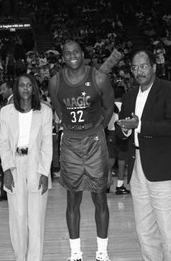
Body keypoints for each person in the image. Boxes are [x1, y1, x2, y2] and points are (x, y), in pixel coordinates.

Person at [48, 41, 116, 261]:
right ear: (63, 57)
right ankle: (75, 253)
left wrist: (97, 129)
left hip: (95, 141)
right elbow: (60, 111)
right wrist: (77, 130)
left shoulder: (99, 78)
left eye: (76, 51)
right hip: (70, 144)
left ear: (82, 54)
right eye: (67, 53)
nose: (72, 56)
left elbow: (108, 108)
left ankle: (102, 253)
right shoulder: (55, 82)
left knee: (99, 198)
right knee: (72, 199)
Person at [117, 50, 171, 261]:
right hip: (137, 167)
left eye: (143, 66)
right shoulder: (129, 96)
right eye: (135, 68)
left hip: (162, 168)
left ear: (154, 67)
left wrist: (140, 125)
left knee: (169, 232)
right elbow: (121, 132)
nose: (139, 71)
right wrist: (126, 129)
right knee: (144, 231)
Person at [0, 74, 53, 261]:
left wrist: (44, 172)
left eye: (29, 85)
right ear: (16, 88)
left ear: (34, 89)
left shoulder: (45, 112)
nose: (25, 88)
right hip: (14, 164)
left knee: (36, 220)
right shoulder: (6, 112)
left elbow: (47, 144)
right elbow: (3, 143)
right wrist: (7, 170)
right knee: (17, 218)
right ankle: (19, 257)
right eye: (21, 85)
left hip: (36, 164)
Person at [0, 80, 14, 202]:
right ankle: (4, 191)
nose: (1, 92)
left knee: (6, 165)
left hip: (9, 140)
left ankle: (6, 191)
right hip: (6, 137)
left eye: (3, 89)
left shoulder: (12, 102)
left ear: (10, 89)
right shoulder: (9, 101)